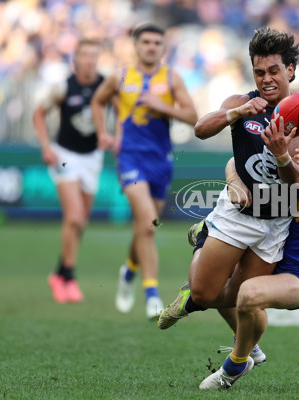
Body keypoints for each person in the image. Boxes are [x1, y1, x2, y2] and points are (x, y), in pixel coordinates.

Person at [193, 93, 299, 389]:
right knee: (215, 284)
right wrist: (234, 181)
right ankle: (250, 345)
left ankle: (232, 368)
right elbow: (238, 161)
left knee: (247, 294)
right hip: (273, 255)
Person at [159, 26, 299, 327]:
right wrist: (238, 113)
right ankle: (205, 238)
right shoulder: (240, 102)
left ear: (291, 70)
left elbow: (295, 180)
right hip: (239, 213)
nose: (266, 79)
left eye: (274, 70)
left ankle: (241, 353)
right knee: (204, 294)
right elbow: (201, 129)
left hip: (275, 221)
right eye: (259, 72)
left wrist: (281, 151)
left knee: (241, 294)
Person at [91, 23, 198, 319]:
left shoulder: (171, 78)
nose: (151, 47)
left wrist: (164, 108)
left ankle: (128, 270)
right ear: (136, 46)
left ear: (163, 48)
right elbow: (98, 101)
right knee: (149, 225)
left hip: (160, 161)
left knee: (143, 227)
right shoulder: (122, 76)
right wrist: (103, 132)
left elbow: (193, 117)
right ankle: (151, 293)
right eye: (146, 42)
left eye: (157, 42)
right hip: (130, 159)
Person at [32, 39, 105, 303]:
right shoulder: (63, 87)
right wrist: (45, 146)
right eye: (84, 55)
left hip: (93, 157)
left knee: (80, 222)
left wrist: (114, 137)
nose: (88, 60)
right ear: (75, 60)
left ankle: (59, 274)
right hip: (64, 155)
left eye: (93, 55)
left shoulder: (105, 87)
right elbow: (38, 114)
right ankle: (70, 276)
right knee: (73, 217)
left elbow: (122, 114)